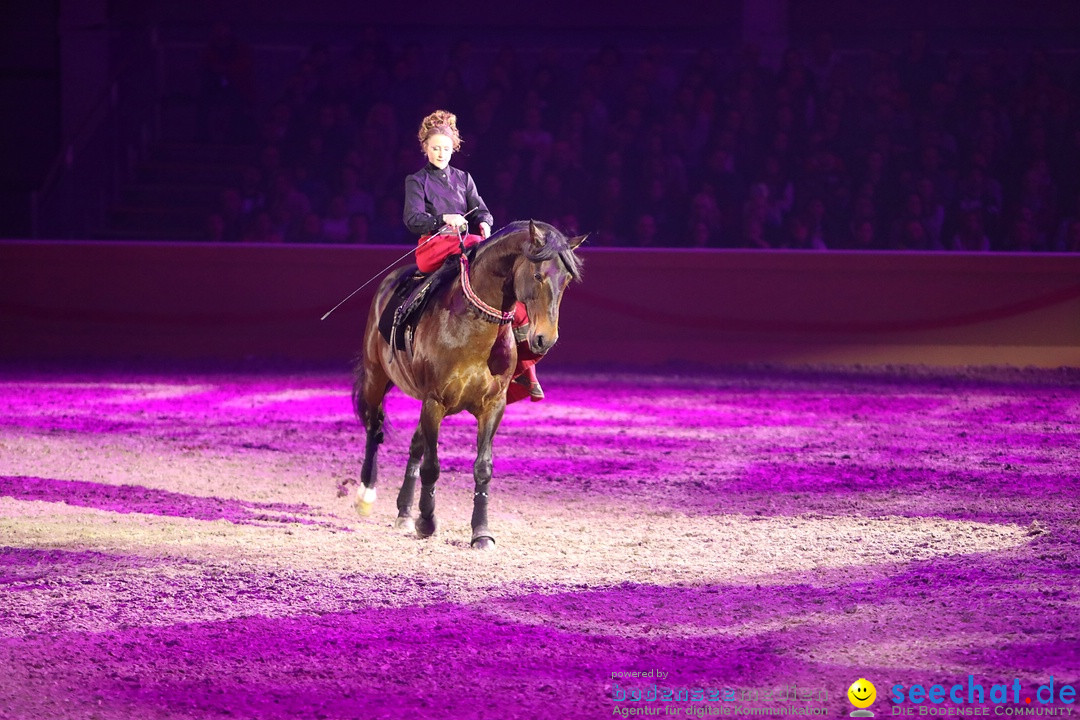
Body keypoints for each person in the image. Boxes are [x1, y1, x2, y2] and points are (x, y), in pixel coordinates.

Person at [400, 109, 544, 401]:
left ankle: (526, 369)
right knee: (481, 247)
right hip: (434, 246)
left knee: (501, 286)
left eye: (445, 148)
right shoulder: (416, 181)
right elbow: (412, 218)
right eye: (435, 148)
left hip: (468, 244)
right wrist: (444, 219)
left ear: (454, 149)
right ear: (425, 149)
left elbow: (480, 208)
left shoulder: (464, 178)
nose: (441, 153)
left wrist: (485, 221)